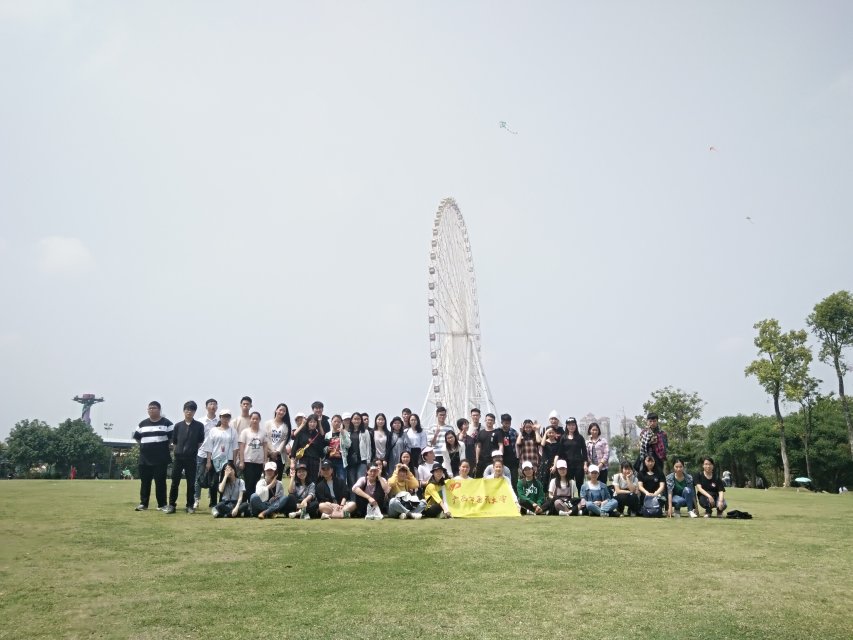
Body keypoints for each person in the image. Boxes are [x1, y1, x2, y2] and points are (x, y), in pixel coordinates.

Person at [133, 401, 174, 512]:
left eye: (154, 408)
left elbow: (172, 438)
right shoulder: (142, 424)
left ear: (159, 409)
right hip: (145, 459)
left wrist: (163, 446)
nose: (151, 410)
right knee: (145, 482)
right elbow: (137, 437)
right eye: (149, 408)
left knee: (160, 482)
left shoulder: (167, 423)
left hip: (161, 458)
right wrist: (146, 446)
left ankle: (162, 504)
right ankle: (143, 504)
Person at [167, 400, 205, 514]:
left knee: (191, 483)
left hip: (191, 458)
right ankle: (171, 505)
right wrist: (177, 452)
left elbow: (200, 442)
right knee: (175, 482)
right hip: (178, 458)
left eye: (192, 410)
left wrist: (192, 451)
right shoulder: (178, 425)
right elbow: (174, 442)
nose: (189, 412)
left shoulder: (199, 426)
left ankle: (190, 505)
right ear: (184, 411)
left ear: (194, 412)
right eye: (187, 409)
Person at [200, 409, 239, 507]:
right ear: (220, 418)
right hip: (215, 459)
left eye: (228, 417)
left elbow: (235, 448)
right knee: (213, 482)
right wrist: (208, 461)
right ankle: (213, 503)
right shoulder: (213, 430)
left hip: (227, 460)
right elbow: (209, 447)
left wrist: (234, 462)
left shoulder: (233, 431)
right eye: (224, 417)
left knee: (224, 481)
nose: (226, 419)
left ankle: (222, 502)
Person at [238, 410, 270, 499]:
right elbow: (241, 447)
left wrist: (265, 461)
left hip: (259, 462)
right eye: (253, 419)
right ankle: (247, 502)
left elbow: (265, 447)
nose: (255, 421)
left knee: (256, 483)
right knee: (249, 483)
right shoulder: (245, 432)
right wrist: (241, 461)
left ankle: (253, 501)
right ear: (250, 419)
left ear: (259, 420)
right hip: (248, 461)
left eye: (257, 419)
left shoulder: (263, 432)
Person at [193, 398, 219, 510]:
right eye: (210, 404)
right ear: (206, 407)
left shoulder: (219, 421)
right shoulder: (201, 421)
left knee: (214, 478)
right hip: (202, 453)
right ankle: (196, 499)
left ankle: (212, 501)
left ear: (217, 407)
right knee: (199, 477)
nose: (212, 406)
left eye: (214, 404)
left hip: (216, 454)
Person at [291, 414, 325, 482]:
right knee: (302, 479)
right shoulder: (301, 432)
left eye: (314, 422)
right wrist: (292, 461)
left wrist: (321, 466)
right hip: (303, 459)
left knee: (313, 480)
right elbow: (294, 446)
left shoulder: (318, 434)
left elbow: (321, 450)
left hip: (315, 461)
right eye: (310, 422)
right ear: (307, 422)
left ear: (317, 423)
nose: (312, 424)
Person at [558, 417, 588, 494]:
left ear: (576, 426)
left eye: (573, 425)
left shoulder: (580, 437)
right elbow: (560, 452)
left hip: (579, 465)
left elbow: (584, 452)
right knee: (569, 484)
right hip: (567, 465)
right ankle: (569, 499)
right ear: (567, 426)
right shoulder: (563, 438)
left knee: (579, 484)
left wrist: (585, 464)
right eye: (569, 425)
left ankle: (581, 499)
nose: (571, 427)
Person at [265, 403, 292, 481]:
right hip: (268, 454)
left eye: (284, 411)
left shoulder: (286, 426)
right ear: (276, 410)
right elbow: (266, 438)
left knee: (278, 478)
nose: (281, 412)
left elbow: (284, 440)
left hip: (280, 455)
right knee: (268, 478)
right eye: (280, 410)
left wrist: (277, 452)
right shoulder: (268, 423)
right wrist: (272, 451)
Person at [347, 412, 374, 487]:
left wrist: (368, 461)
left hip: (362, 460)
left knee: (361, 481)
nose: (356, 421)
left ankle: (360, 495)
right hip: (350, 461)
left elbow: (368, 447)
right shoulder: (348, 432)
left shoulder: (365, 432)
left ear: (361, 420)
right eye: (355, 419)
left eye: (358, 419)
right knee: (352, 482)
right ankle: (352, 495)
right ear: (351, 420)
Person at [493, 414, 520, 489]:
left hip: (513, 460)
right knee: (502, 479)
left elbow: (518, 445)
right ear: (502, 422)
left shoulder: (514, 432)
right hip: (501, 460)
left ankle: (514, 494)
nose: (507, 424)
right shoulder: (497, 432)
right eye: (505, 423)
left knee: (514, 480)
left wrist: (518, 458)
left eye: (509, 423)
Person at [324, 414, 350, 484]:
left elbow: (348, 445)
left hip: (340, 460)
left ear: (341, 423)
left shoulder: (345, 433)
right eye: (335, 421)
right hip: (330, 460)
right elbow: (324, 447)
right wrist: (327, 449)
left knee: (342, 479)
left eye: (338, 422)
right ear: (331, 422)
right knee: (330, 479)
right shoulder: (327, 434)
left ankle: (342, 491)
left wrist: (343, 434)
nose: (336, 423)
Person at [475, 412, 498, 478]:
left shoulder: (497, 432)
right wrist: (477, 459)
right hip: (482, 460)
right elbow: (478, 447)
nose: (489, 421)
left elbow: (501, 446)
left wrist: (499, 458)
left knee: (492, 478)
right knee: (479, 478)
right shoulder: (480, 433)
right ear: (485, 420)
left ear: (494, 422)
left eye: (491, 420)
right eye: (488, 420)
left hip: (492, 460)